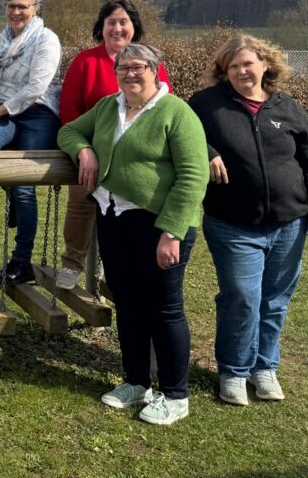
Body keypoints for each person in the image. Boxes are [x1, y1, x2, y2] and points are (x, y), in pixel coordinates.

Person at [57, 43, 206, 426]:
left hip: (159, 224)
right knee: (128, 302)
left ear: (155, 70)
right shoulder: (108, 107)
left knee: (164, 308)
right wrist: (85, 150)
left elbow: (193, 176)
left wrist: (172, 232)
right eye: (123, 68)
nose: (130, 74)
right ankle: (136, 382)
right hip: (113, 218)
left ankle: (175, 394)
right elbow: (69, 131)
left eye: (138, 67)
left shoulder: (176, 112)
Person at [189, 35, 308, 406]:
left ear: (265, 65)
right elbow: (180, 133)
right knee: (241, 298)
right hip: (232, 224)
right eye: (233, 66)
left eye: (248, 63)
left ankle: (264, 367)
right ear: (224, 72)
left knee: (275, 300)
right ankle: (234, 371)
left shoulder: (289, 108)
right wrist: (207, 151)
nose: (241, 71)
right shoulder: (206, 104)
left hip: (289, 224)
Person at [54, 0, 172, 291]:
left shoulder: (151, 63)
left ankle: (111, 265)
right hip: (92, 152)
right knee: (81, 204)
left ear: (134, 27)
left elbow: (166, 107)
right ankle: (72, 262)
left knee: (127, 210)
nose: (117, 28)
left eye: (123, 22)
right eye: (111, 22)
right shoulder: (86, 61)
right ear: (102, 27)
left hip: (135, 155)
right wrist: (84, 149)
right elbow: (70, 108)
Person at [0, 0, 61, 286]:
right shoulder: (3, 38)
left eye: (22, 6)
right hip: (5, 112)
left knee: (24, 186)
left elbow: (35, 88)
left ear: (36, 8)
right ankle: (13, 197)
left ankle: (22, 262)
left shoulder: (46, 39)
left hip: (37, 114)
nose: (16, 12)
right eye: (11, 6)